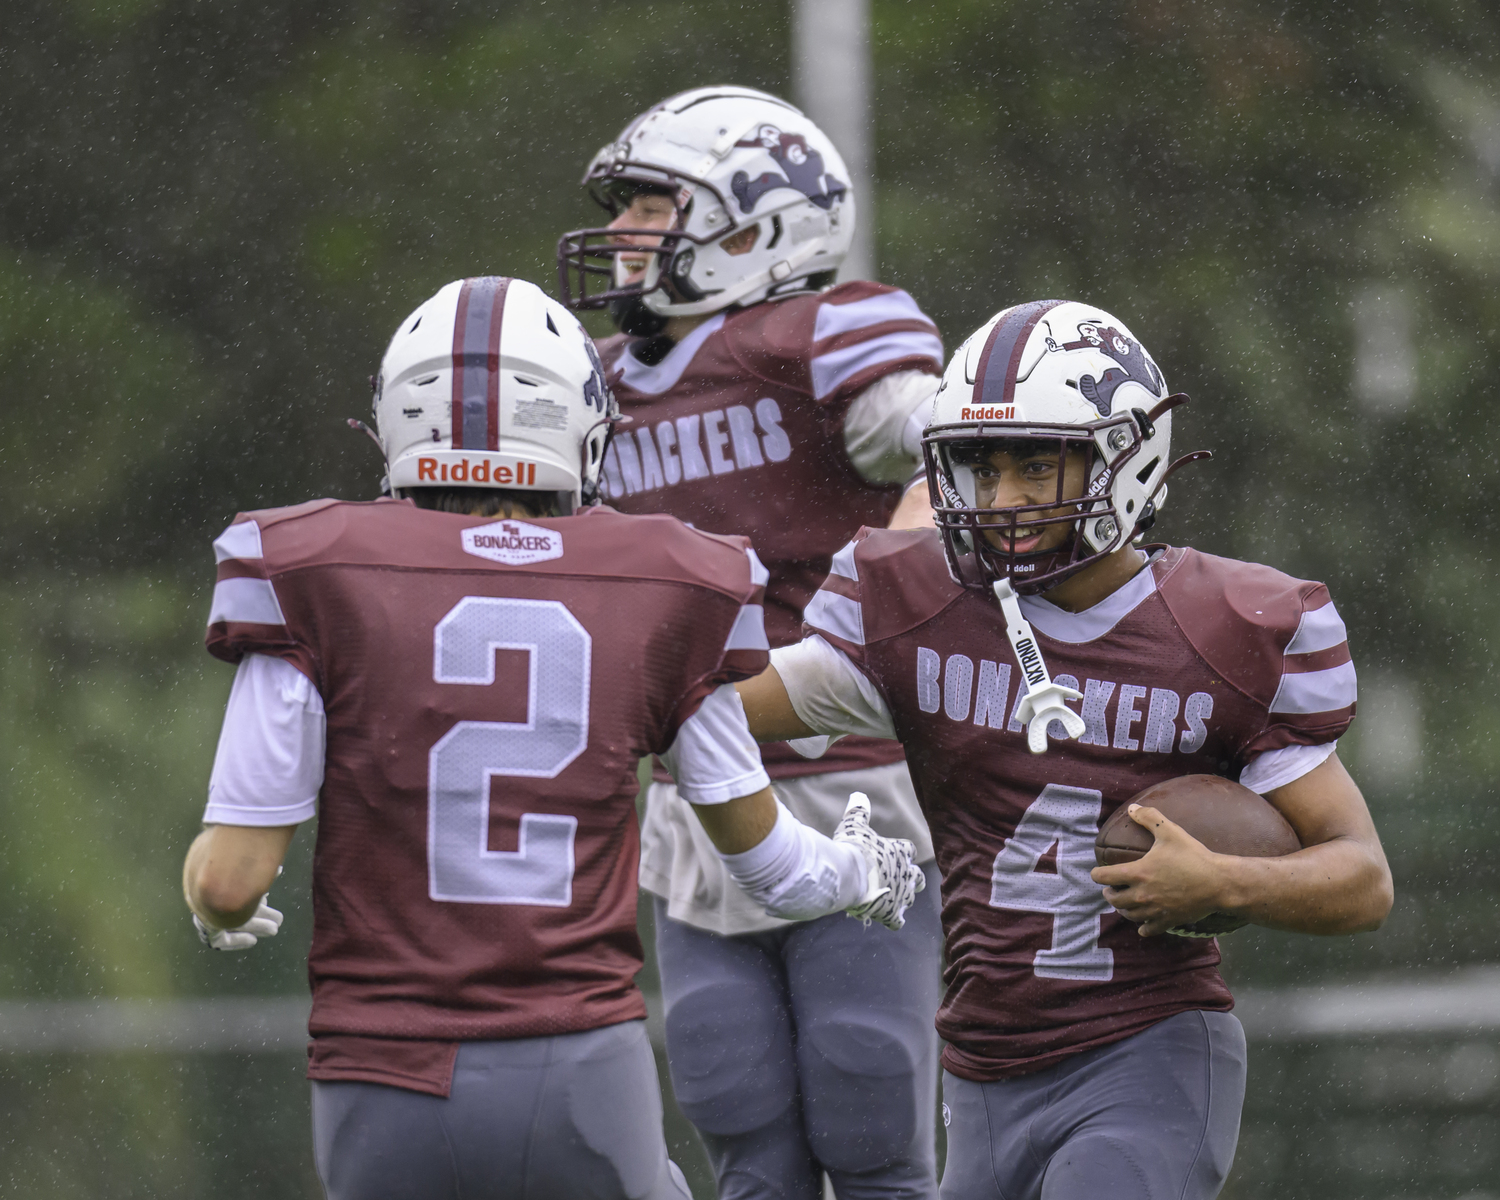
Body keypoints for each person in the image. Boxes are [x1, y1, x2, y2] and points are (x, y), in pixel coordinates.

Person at [179, 276, 924, 1200]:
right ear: (580, 424)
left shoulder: (307, 571)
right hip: (574, 1060)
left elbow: (228, 878)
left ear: (397, 424)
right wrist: (865, 869)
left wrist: (215, 909)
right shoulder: (668, 582)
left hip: (379, 1068)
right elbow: (771, 868)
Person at [734, 299, 1394, 1200]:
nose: (1003, 499)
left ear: (1125, 455)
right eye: (981, 466)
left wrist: (1226, 883)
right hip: (981, 1066)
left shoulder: (1223, 627)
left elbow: (1362, 878)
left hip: (1146, 1051)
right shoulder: (918, 604)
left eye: (1037, 465)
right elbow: (730, 709)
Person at [558, 85, 944, 1199]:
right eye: (623, 207)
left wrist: (876, 602)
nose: (626, 232)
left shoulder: (822, 339)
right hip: (696, 794)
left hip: (848, 775)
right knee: (737, 1114)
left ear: (755, 225)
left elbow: (956, 456)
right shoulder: (597, 384)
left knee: (867, 1098)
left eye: (650, 205)